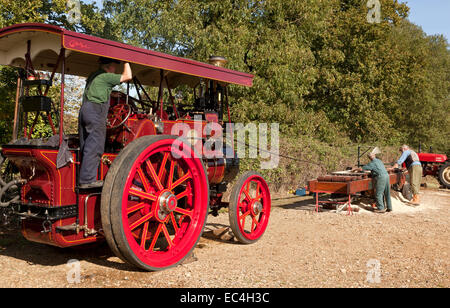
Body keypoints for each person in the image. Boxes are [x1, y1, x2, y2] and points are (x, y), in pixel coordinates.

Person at [78, 57, 132, 189]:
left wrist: (111, 95)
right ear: (109, 66)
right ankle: (87, 180)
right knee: (95, 144)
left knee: (86, 144)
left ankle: (83, 176)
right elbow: (128, 76)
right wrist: (127, 60)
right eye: (114, 66)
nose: (115, 70)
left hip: (85, 109)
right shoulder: (106, 76)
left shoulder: (94, 76)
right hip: (96, 110)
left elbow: (100, 90)